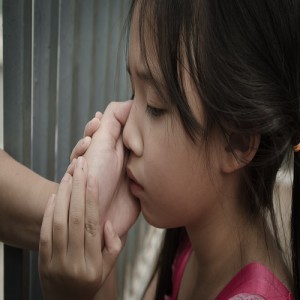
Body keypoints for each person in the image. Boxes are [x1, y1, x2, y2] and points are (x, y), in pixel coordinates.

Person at [38, 0, 299, 299]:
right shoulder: (192, 232)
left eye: (155, 106)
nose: (127, 136)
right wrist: (98, 225)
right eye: (134, 92)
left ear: (236, 142)